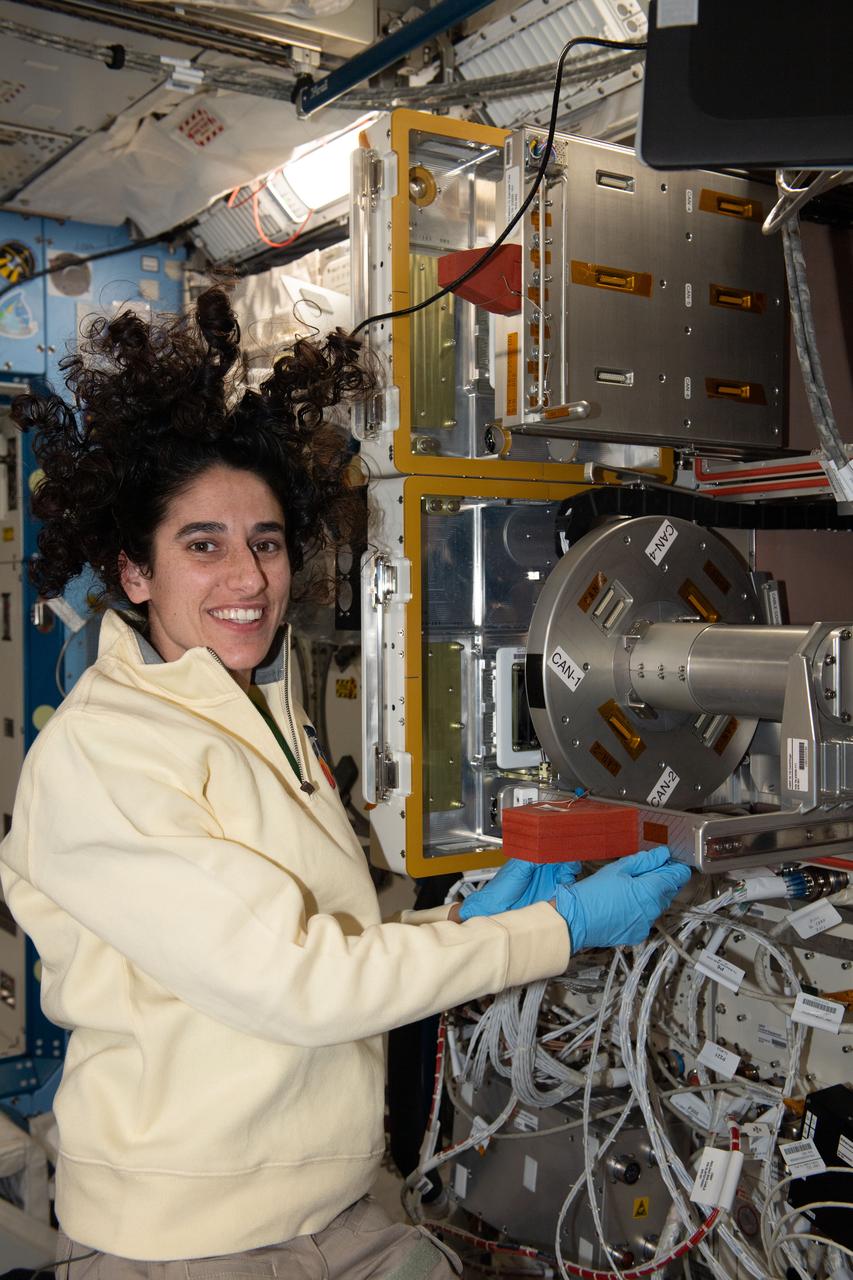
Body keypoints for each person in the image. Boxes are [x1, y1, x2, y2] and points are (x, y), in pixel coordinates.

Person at [0, 288, 691, 1277]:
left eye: (267, 541)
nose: (248, 576)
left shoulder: (255, 707)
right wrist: (556, 931)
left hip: (335, 1205)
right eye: (204, 544)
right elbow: (296, 982)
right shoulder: (107, 751)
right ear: (134, 572)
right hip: (187, 1242)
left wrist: (452, 928)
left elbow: (313, 943)